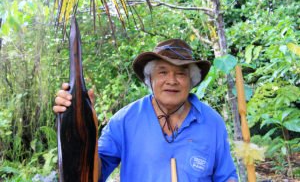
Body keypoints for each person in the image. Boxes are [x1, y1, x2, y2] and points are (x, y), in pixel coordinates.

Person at [53, 39, 238, 182]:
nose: (171, 80)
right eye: (163, 72)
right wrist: (84, 128)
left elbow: (226, 176)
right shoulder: (124, 121)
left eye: (181, 73)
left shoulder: (212, 123)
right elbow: (92, 176)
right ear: (150, 79)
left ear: (192, 80)